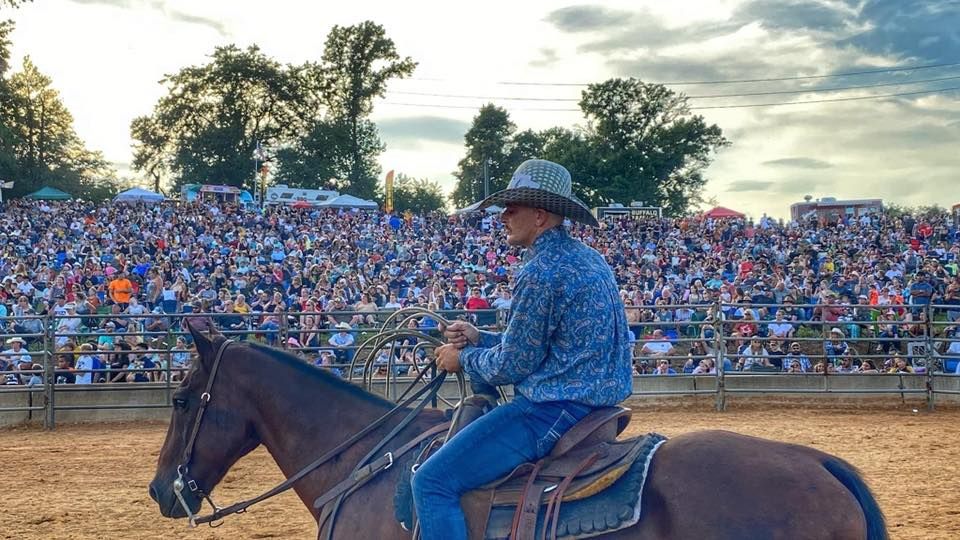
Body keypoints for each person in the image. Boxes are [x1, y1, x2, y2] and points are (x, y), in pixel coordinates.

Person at [412, 159, 632, 540]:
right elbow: (544, 348)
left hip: (549, 411)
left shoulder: (541, 270)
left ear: (541, 217)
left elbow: (512, 366)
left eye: (512, 209)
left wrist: (461, 358)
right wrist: (480, 338)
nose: (503, 217)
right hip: (593, 406)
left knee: (431, 483)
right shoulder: (588, 259)